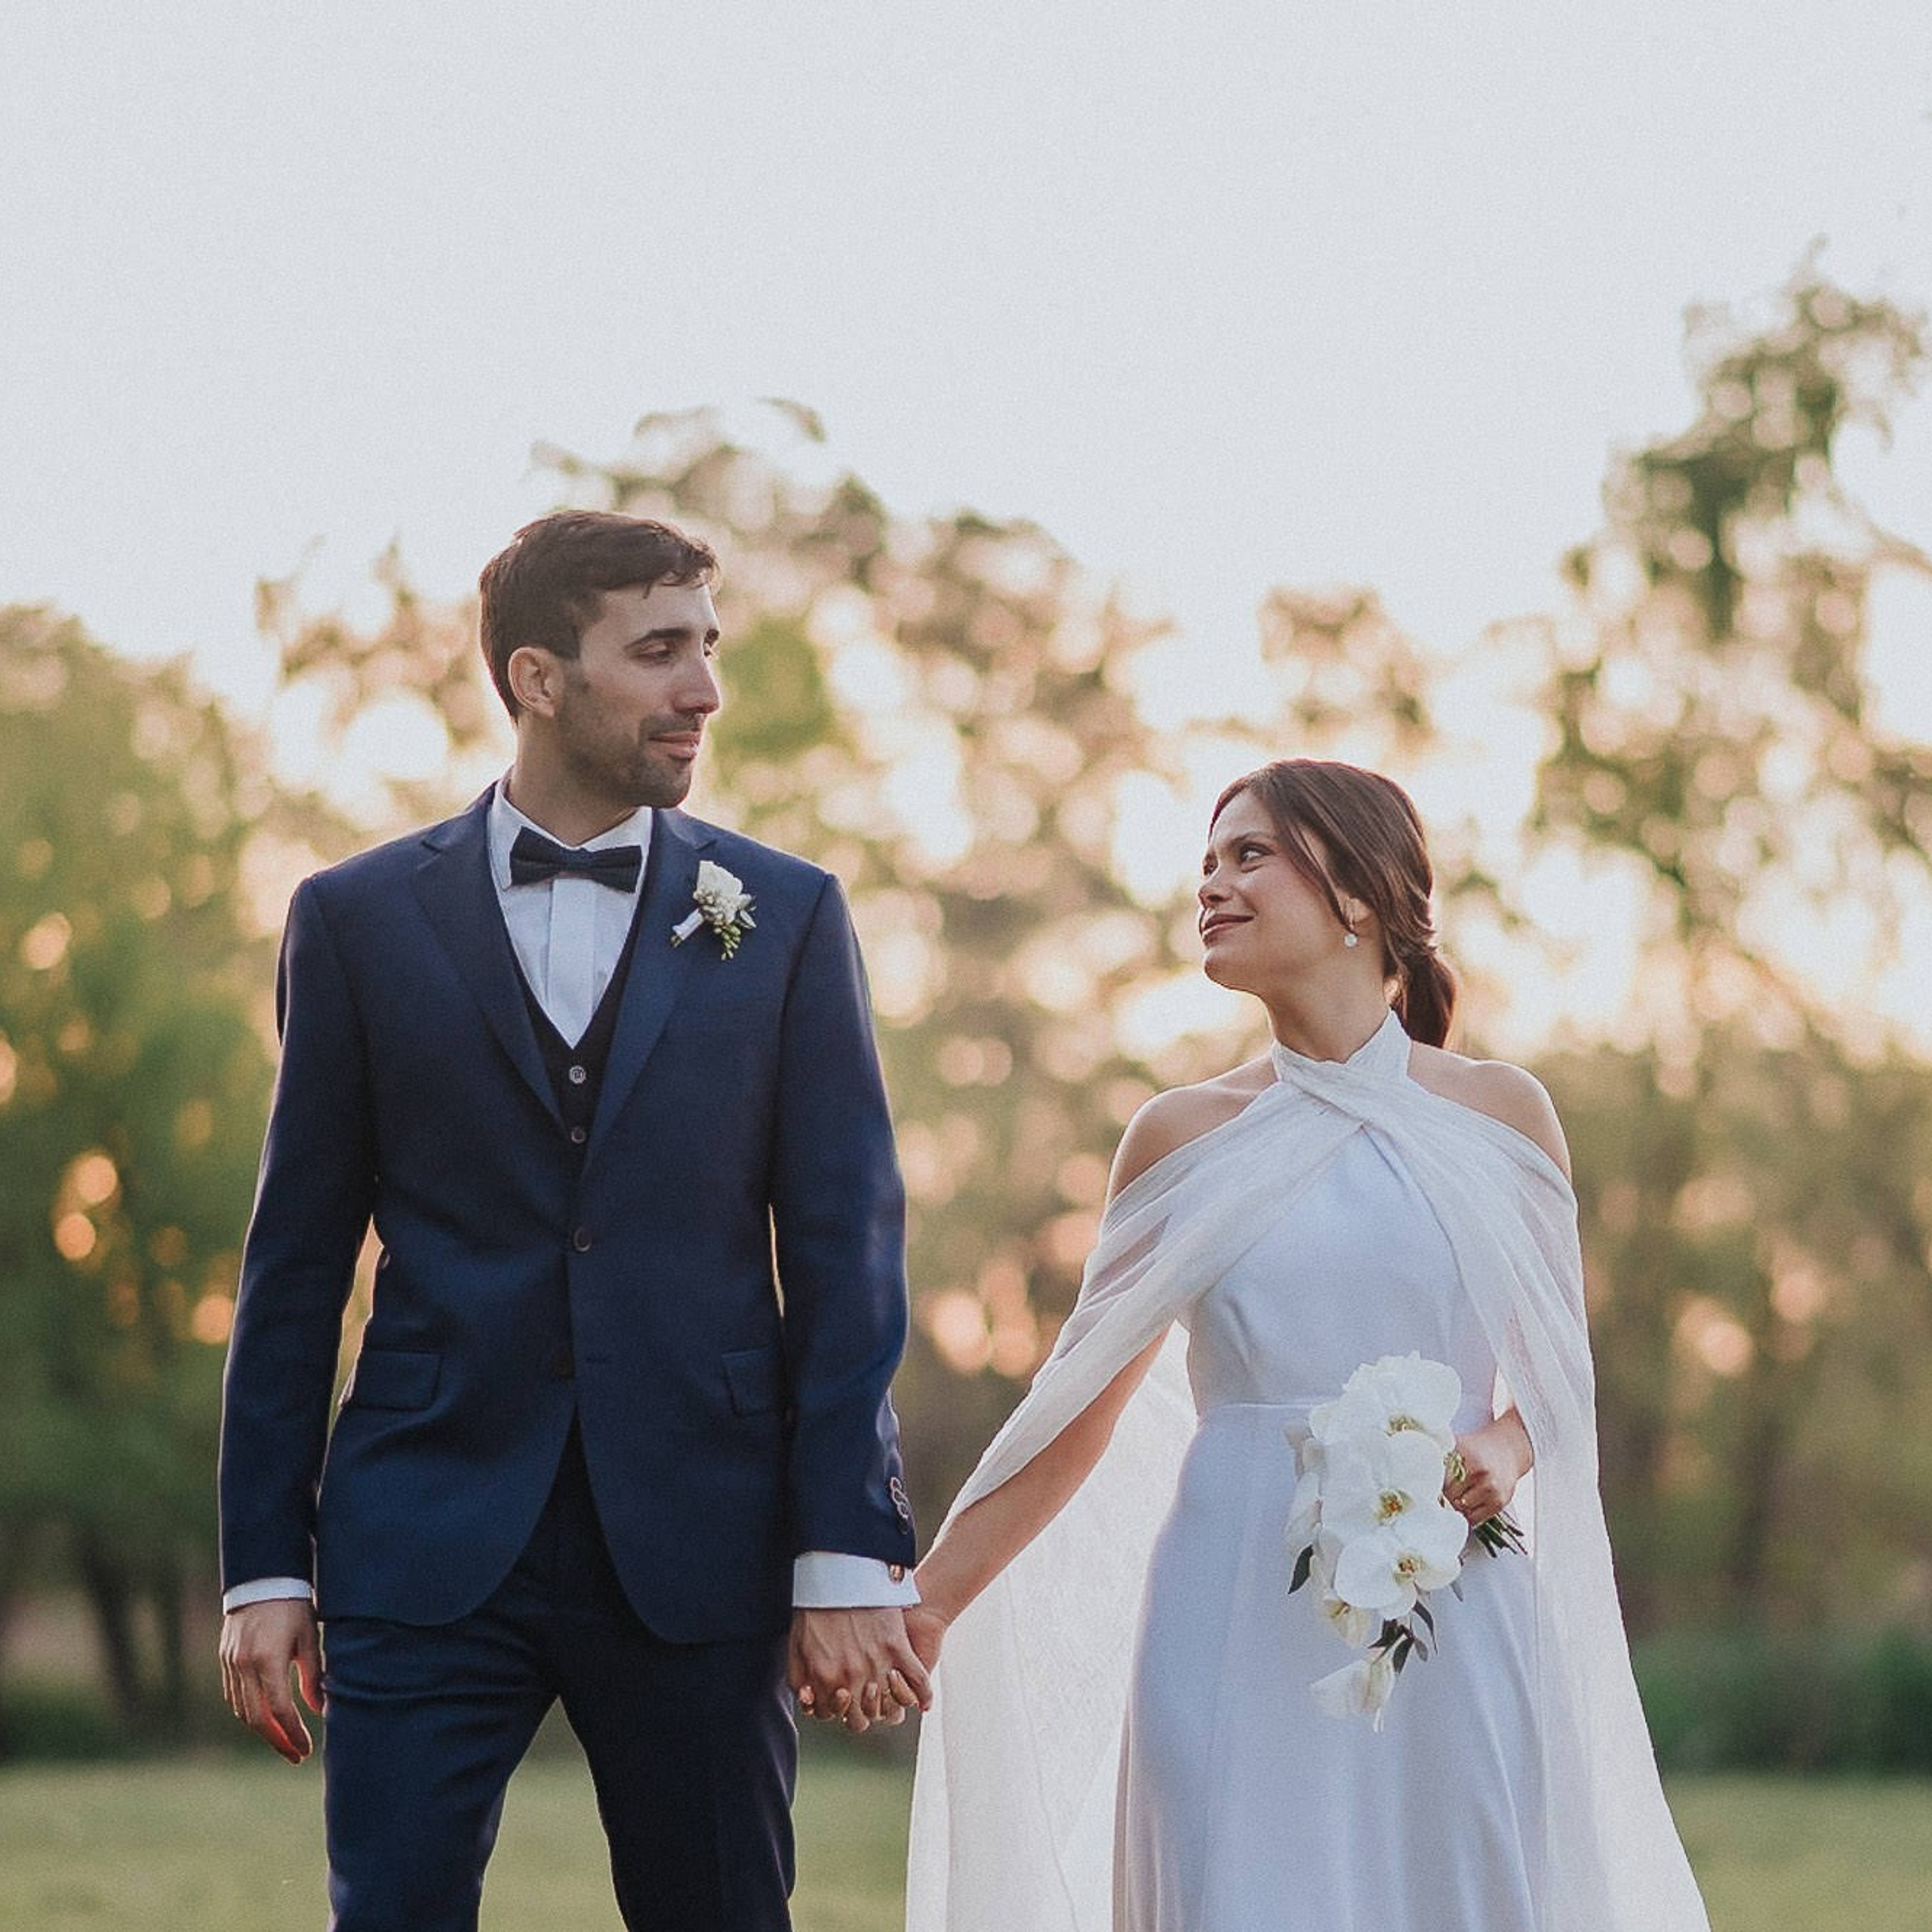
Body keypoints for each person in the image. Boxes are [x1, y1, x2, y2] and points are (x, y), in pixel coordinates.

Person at [217, 509, 930, 1932]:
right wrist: (261, 1565)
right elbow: (294, 1270)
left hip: (700, 1536)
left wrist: (845, 1548)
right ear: (539, 678)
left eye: (708, 649)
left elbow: (846, 1255)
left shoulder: (784, 918)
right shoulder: (355, 920)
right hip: (423, 1532)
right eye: (660, 651)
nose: (705, 691)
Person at [903, 759, 1709, 1932]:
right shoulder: (1176, 1137)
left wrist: (1504, 1444)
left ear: (1356, 896)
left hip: (1447, 1600)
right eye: (1207, 863)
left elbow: (1556, 1381)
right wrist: (923, 1608)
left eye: (1249, 855)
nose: (1212, 887)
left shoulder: (1502, 1117)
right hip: (1228, 1607)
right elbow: (1074, 1409)